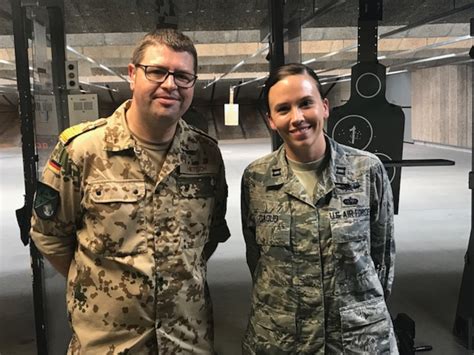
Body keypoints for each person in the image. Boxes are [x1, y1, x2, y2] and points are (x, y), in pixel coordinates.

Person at [30, 28, 230, 354]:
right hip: (109, 345)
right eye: (157, 71)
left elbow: (208, 237)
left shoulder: (206, 154)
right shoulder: (81, 149)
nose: (170, 84)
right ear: (132, 74)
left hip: (188, 341)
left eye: (183, 76)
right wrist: (101, 286)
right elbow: (50, 236)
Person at [241, 63, 397, 354]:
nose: (297, 117)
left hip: (357, 340)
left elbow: (383, 255)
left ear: (324, 107)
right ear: (271, 120)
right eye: (283, 108)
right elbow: (257, 260)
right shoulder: (256, 178)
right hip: (281, 340)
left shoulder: (366, 170)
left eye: (305, 104)